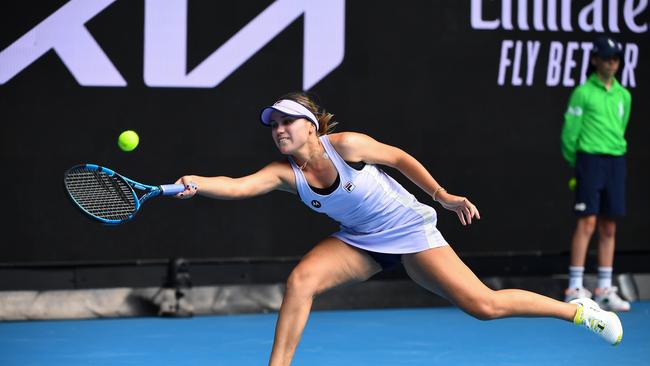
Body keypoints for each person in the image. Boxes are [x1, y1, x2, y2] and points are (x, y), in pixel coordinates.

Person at [175, 92, 623, 365]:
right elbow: (236, 187)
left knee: (484, 306)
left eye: (287, 121)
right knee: (300, 281)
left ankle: (579, 311)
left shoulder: (346, 145)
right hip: (360, 241)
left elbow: (400, 158)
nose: (278, 130)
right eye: (273, 125)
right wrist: (195, 181)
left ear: (311, 128)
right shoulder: (282, 173)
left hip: (409, 229)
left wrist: (442, 196)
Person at [561, 36, 632, 312]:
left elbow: (621, 127)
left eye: (615, 59)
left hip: (616, 160)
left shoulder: (624, 95)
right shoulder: (582, 93)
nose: (612, 63)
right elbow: (569, 133)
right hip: (589, 160)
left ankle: (604, 289)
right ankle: (574, 287)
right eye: (606, 58)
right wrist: (576, 163)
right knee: (587, 222)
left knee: (609, 225)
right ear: (595, 60)